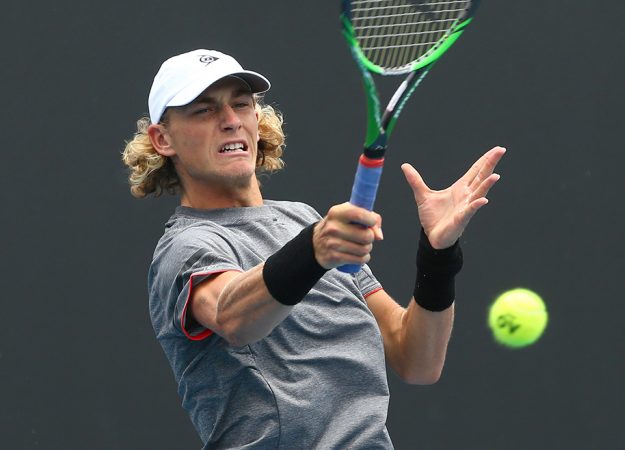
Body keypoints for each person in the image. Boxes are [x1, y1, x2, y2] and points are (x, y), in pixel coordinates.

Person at [122, 48, 505, 449]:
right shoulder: (187, 246)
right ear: (162, 139)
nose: (231, 121)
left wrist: (438, 256)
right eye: (204, 110)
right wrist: (314, 249)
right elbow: (232, 317)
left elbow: (417, 360)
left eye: (241, 104)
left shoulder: (303, 220)